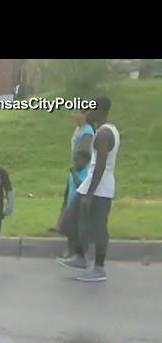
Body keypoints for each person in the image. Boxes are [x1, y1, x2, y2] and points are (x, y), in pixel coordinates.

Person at [57, 96, 119, 282]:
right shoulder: (101, 131)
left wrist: (89, 194)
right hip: (90, 185)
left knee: (99, 228)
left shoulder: (104, 134)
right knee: (70, 220)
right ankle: (80, 257)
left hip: (99, 188)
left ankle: (99, 269)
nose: (87, 112)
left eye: (90, 108)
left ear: (99, 110)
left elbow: (100, 165)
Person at [50, 107, 95, 232]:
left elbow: (85, 154)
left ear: (85, 114)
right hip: (75, 166)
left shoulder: (87, 132)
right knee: (67, 197)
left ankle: (69, 227)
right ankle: (61, 225)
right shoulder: (78, 129)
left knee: (74, 199)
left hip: (81, 170)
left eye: (76, 112)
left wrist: (75, 168)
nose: (73, 115)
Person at [58, 149, 91, 258]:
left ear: (86, 162)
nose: (75, 163)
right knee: (69, 229)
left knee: (78, 231)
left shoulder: (86, 174)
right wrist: (64, 205)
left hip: (80, 206)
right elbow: (68, 189)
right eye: (74, 160)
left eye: (78, 161)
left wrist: (74, 173)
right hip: (70, 204)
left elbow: (80, 186)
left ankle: (79, 253)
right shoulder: (73, 173)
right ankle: (69, 250)